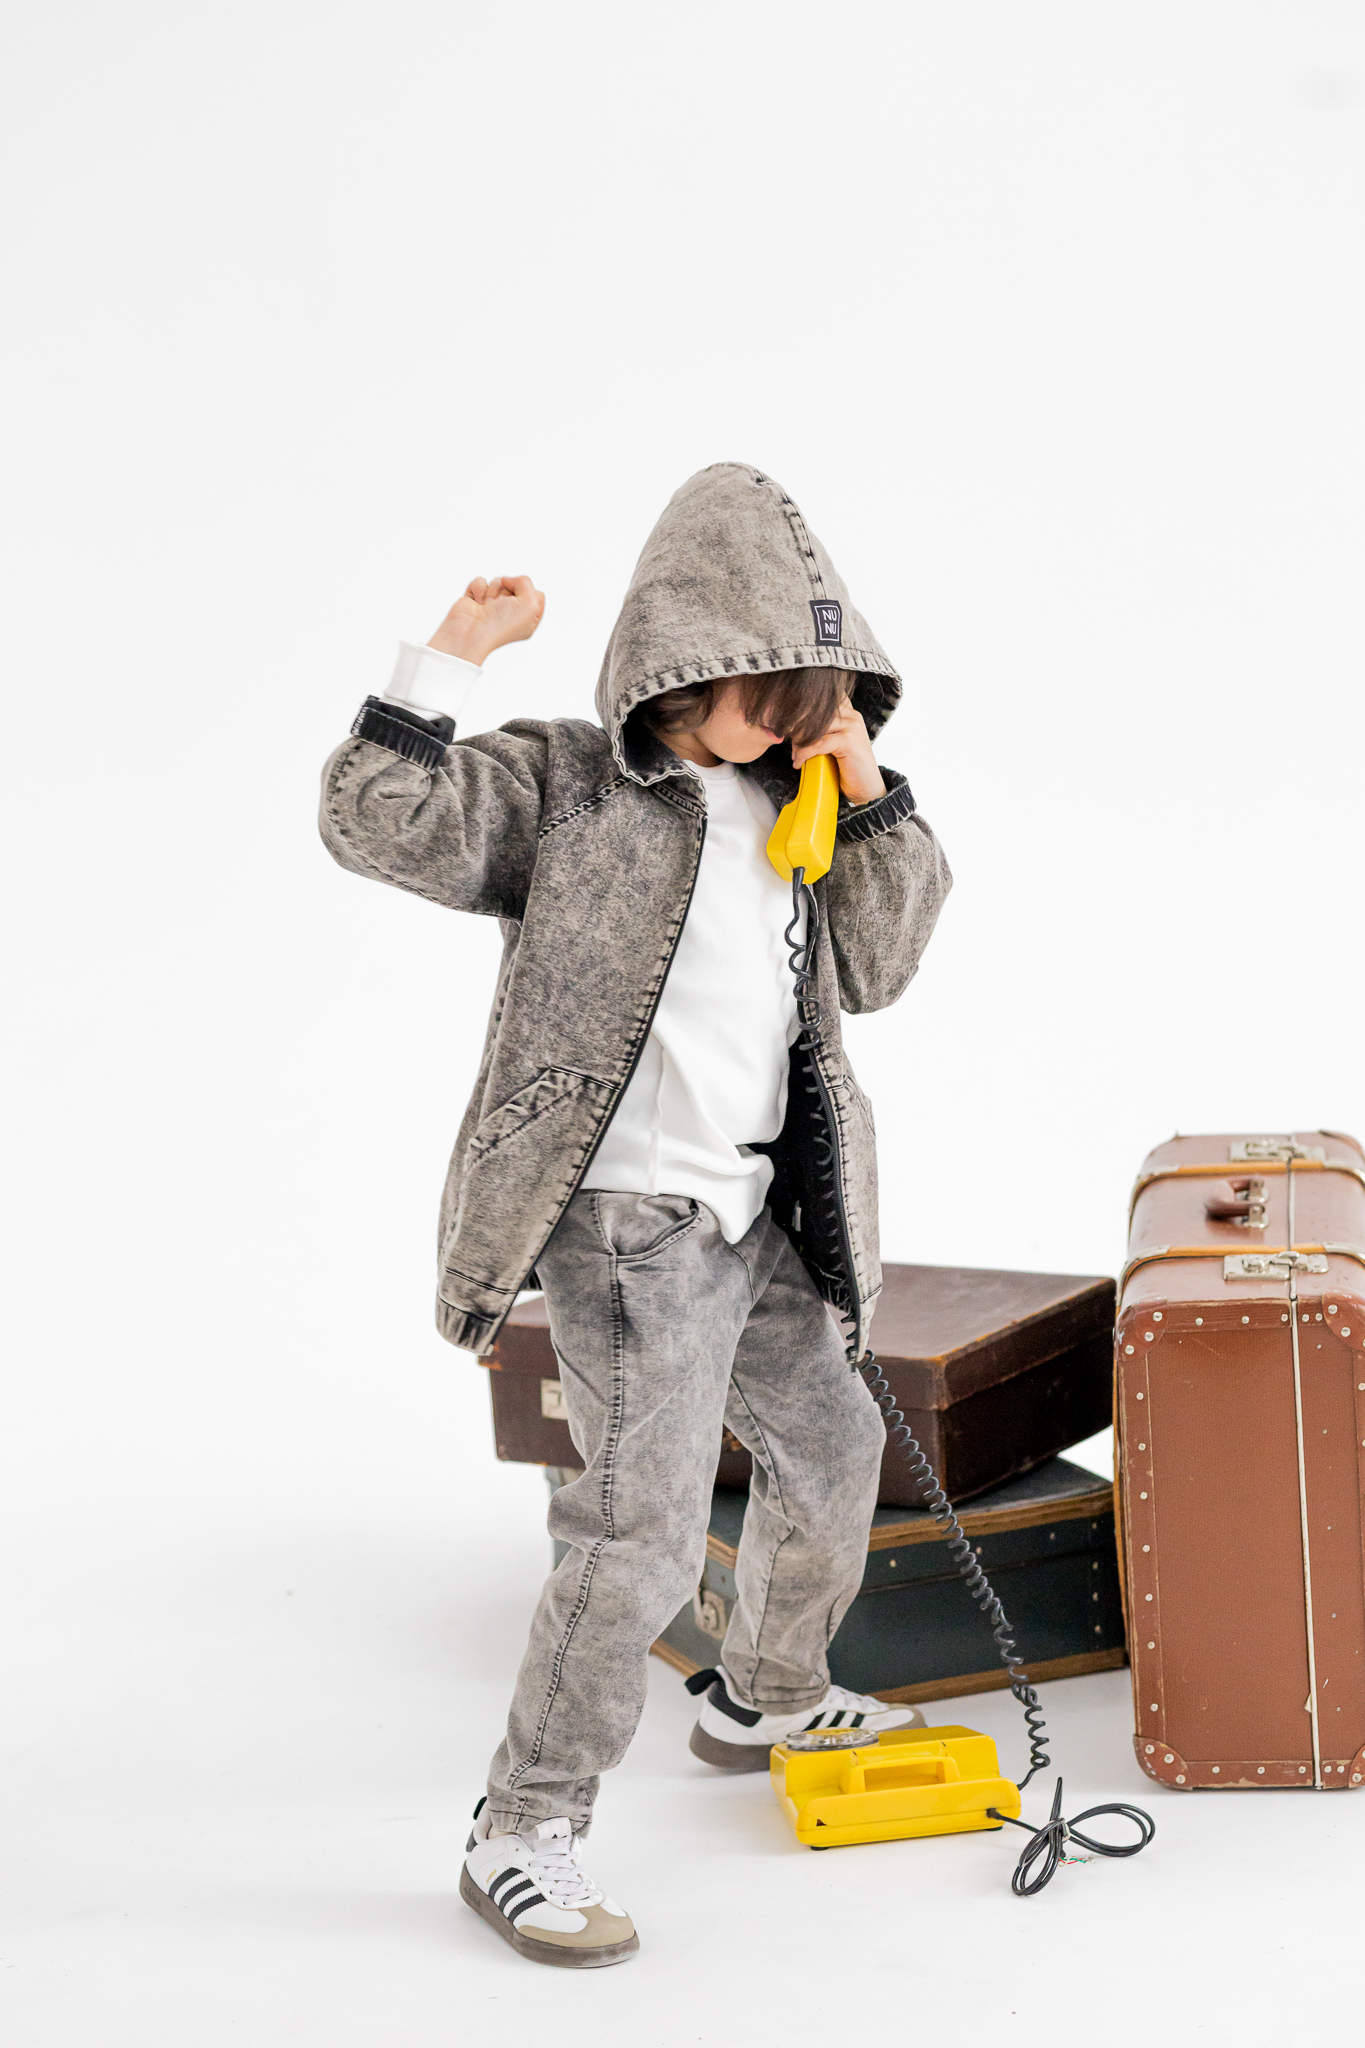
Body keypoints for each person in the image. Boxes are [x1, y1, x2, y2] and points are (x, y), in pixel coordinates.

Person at [320, 462, 952, 1968]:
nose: (792, 730)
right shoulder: (567, 786)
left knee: (835, 1449)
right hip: (630, 1228)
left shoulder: (798, 807)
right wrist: (450, 659)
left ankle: (767, 1695)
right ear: (684, 662)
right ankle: (522, 1827)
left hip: (765, 1212)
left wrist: (864, 785)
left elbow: (881, 967)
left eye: (816, 706)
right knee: (638, 1537)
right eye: (772, 703)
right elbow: (374, 818)